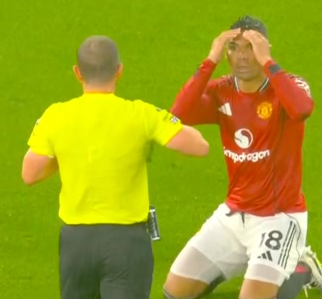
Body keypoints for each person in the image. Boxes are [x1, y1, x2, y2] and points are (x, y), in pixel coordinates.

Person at [22, 35, 210, 299]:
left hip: (76, 244)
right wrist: (161, 126)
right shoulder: (141, 114)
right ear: (119, 70)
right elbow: (199, 147)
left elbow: (30, 174)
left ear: (78, 73)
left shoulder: (55, 115)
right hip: (127, 243)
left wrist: (64, 156)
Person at [163, 16, 322, 299]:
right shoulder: (222, 90)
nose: (241, 56)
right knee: (175, 291)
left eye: (250, 47)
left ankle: (300, 268)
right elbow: (179, 114)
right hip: (233, 216)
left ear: (265, 48)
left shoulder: (289, 85)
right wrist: (210, 60)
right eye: (234, 47)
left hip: (279, 218)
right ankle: (248, 266)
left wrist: (268, 63)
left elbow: (302, 109)